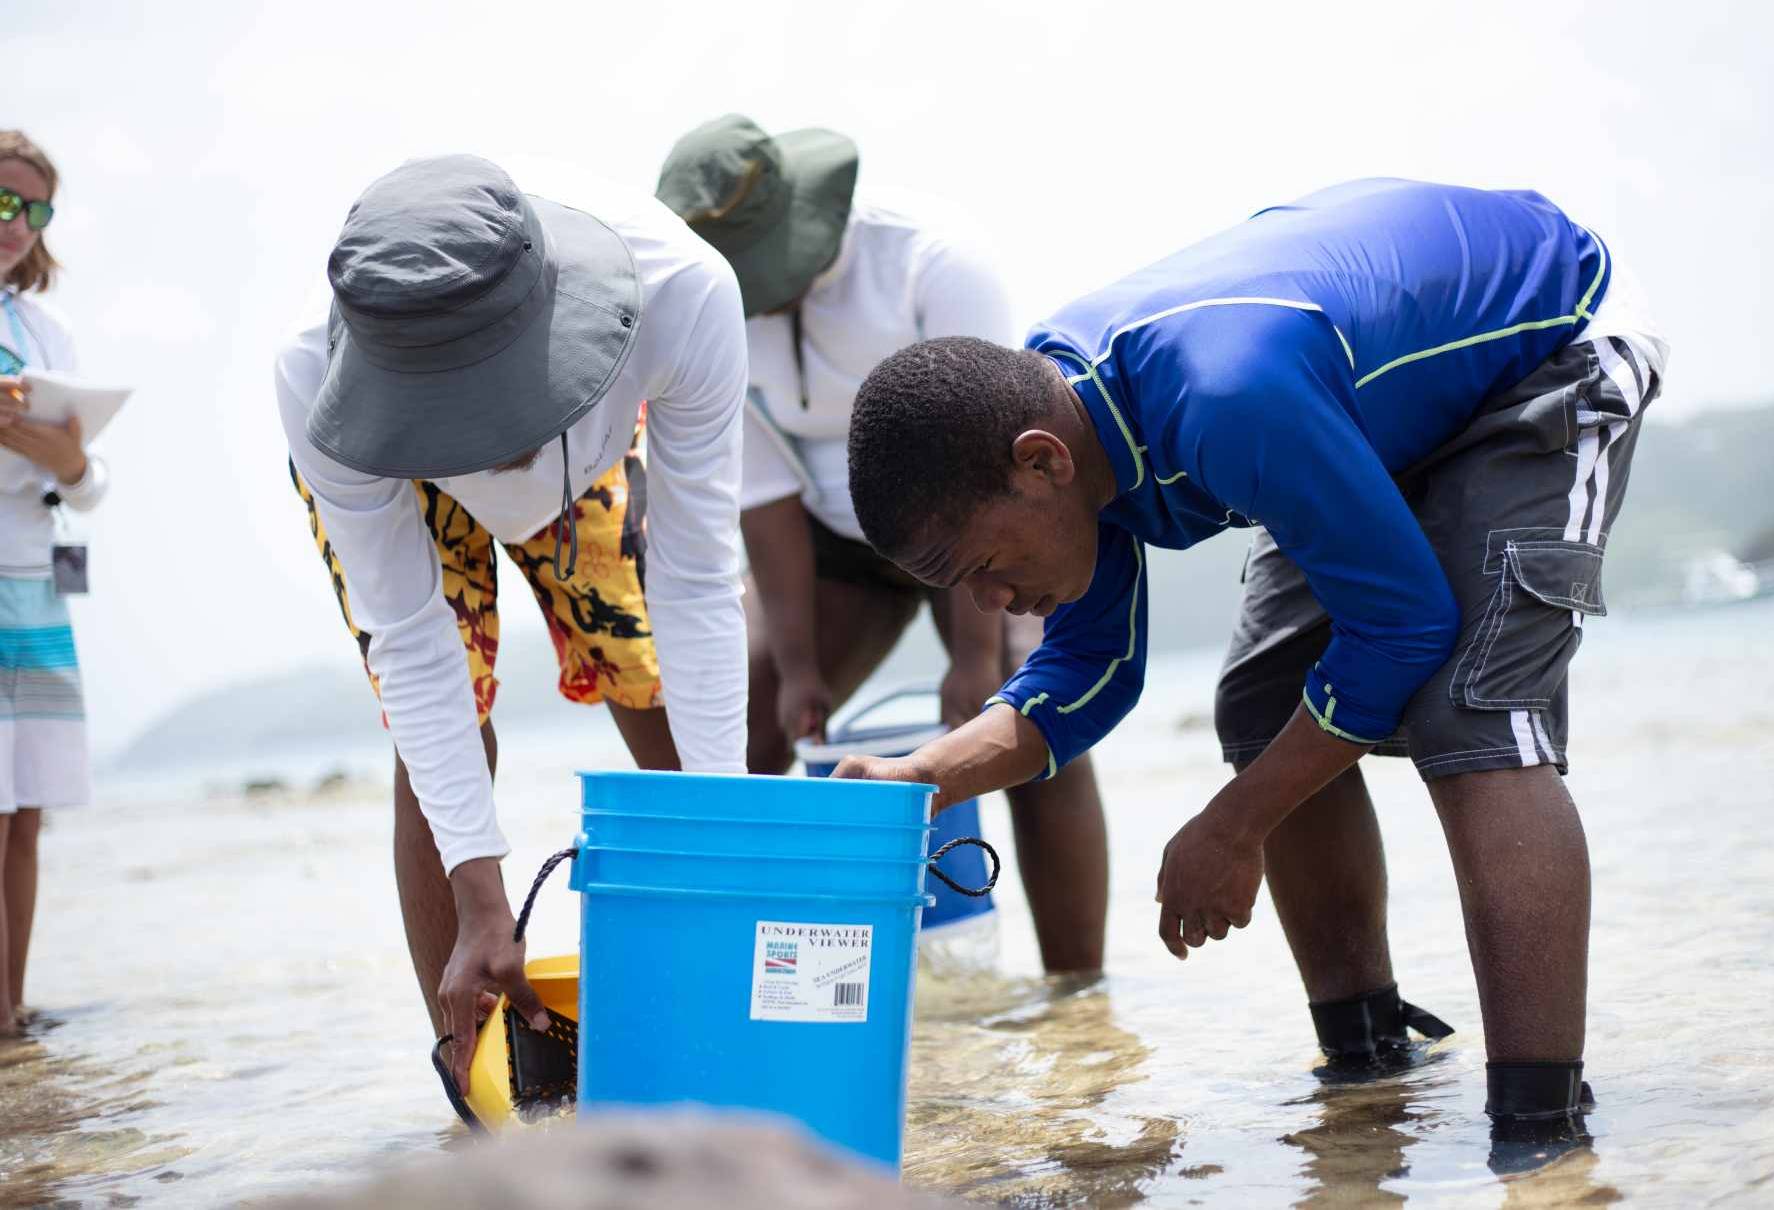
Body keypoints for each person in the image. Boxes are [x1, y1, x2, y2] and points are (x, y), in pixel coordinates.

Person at [835, 178, 1667, 1137]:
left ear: (1041, 463)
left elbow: (1404, 629)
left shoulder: (1227, 400)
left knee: (1471, 711)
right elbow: (1091, 667)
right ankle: (1367, 1067)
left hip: (1543, 338)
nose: (990, 602)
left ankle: (1540, 1128)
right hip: (1358, 399)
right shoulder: (1054, 427)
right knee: (1263, 705)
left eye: (985, 567)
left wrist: (1233, 827)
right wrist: (919, 777)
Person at [274, 155, 749, 1091]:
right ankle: (470, 1065)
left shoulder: (683, 297)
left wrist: (730, 839)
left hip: (594, 474)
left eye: (497, 408)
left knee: (647, 673)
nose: (487, 449)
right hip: (398, 481)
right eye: (454, 418)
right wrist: (483, 899)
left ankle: (712, 983)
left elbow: (697, 586)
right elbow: (413, 648)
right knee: (443, 733)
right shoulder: (314, 384)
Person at [656, 115, 1108, 972]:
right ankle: (735, 970)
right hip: (833, 544)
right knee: (738, 712)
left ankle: (1077, 990)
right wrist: (797, 670)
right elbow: (764, 494)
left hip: (969, 511)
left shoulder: (931, 261)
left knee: (1032, 693)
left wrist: (974, 658)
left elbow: (990, 473)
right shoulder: (711, 311)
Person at [0, 131, 105, 1039]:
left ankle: (14, 1012)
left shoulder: (47, 330)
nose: (17, 225)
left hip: (37, 583)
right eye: (4, 202)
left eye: (35, 211)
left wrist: (70, 460)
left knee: (26, 813)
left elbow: (91, 484)